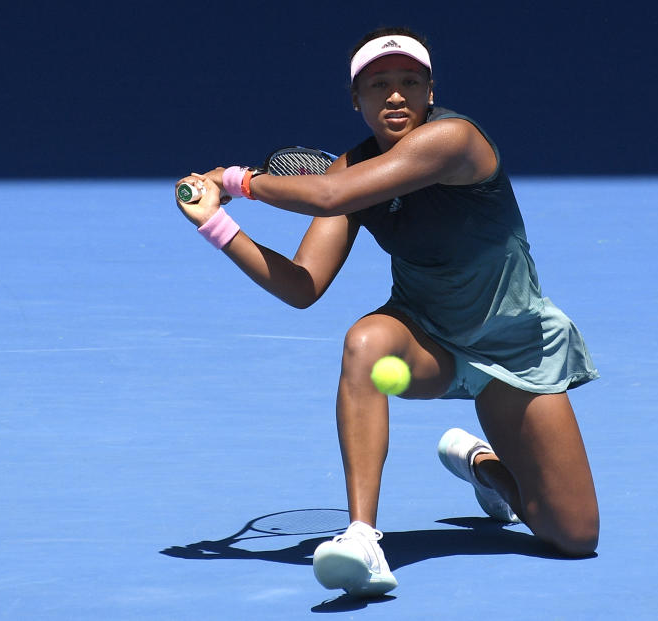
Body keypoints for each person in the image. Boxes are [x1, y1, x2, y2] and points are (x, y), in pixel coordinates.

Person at [174, 27, 600, 597]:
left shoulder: (455, 140)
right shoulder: (351, 170)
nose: (395, 95)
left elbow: (329, 196)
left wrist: (235, 182)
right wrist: (216, 225)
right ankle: (361, 537)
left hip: (516, 351)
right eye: (379, 85)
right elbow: (303, 286)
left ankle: (484, 466)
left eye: (409, 82)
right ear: (357, 99)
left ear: (430, 91)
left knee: (572, 536)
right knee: (364, 341)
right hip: (426, 343)